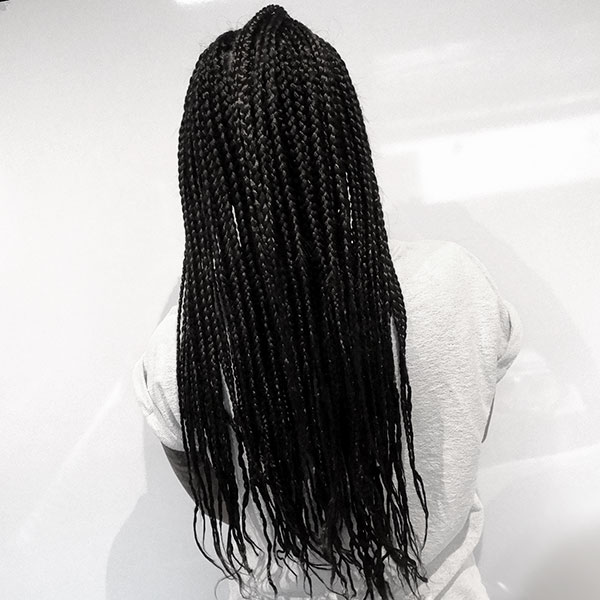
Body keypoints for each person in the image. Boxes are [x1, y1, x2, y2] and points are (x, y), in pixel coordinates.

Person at [132, 5, 523, 600]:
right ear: (343, 135)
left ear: (206, 168)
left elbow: (218, 501)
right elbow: (471, 427)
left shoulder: (181, 352)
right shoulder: (458, 282)